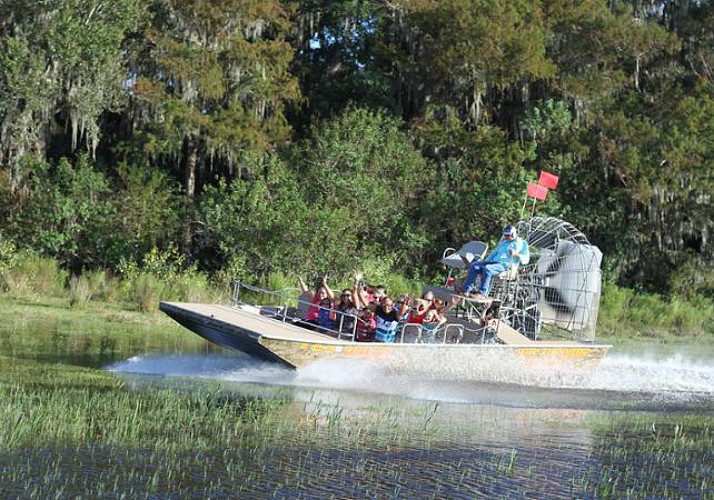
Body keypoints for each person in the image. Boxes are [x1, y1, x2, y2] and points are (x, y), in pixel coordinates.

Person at [460, 225, 530, 300]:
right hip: (494, 262)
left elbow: (526, 259)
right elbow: (494, 253)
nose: (505, 237)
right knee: (475, 266)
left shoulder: (522, 243)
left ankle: (482, 294)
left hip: (505, 265)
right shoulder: (504, 243)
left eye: (507, 235)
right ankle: (466, 290)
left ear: (513, 234)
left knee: (487, 269)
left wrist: (516, 253)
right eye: (505, 235)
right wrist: (484, 262)